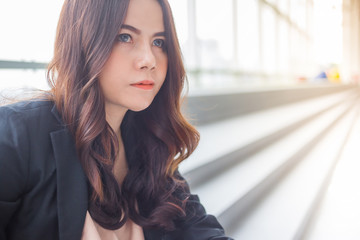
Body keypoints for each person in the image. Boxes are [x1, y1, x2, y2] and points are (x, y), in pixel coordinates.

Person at [0, 0, 233, 239]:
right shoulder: (16, 137)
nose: (149, 60)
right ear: (84, 41)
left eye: (159, 42)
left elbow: (199, 230)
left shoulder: (150, 146)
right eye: (125, 37)